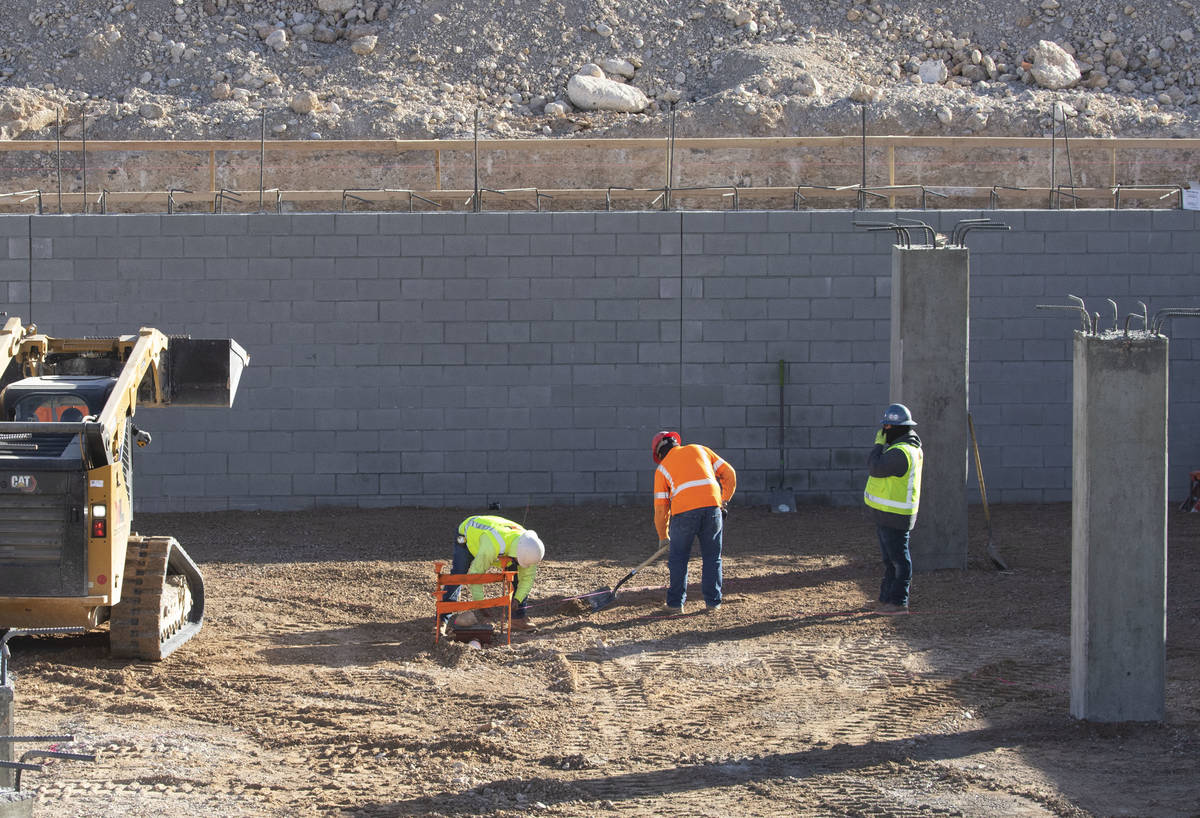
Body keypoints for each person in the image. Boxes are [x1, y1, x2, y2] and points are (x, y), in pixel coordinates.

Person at [650, 430, 736, 615]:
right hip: (712, 508)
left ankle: (675, 605)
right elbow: (729, 473)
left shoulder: (662, 469)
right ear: (675, 442)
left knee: (679, 558)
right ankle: (713, 603)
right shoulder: (701, 450)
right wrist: (723, 500)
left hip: (684, 514)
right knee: (713, 558)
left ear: (659, 453)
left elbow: (660, 508)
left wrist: (663, 536)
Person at [863, 403, 924, 615]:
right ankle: (886, 598)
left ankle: (898, 602)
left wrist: (878, 445)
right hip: (887, 514)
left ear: (897, 428)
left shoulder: (901, 452)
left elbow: (875, 467)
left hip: (896, 515)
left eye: (887, 428)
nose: (883, 432)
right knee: (890, 560)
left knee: (899, 560)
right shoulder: (902, 448)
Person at [441, 514, 544, 633]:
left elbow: (527, 578)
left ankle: (518, 619)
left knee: (517, 577)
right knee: (458, 575)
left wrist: (517, 599)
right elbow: (476, 574)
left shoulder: (531, 548)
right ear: (515, 554)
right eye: (519, 561)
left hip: (500, 540)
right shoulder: (493, 545)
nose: (521, 565)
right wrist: (480, 603)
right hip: (468, 535)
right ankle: (442, 619)